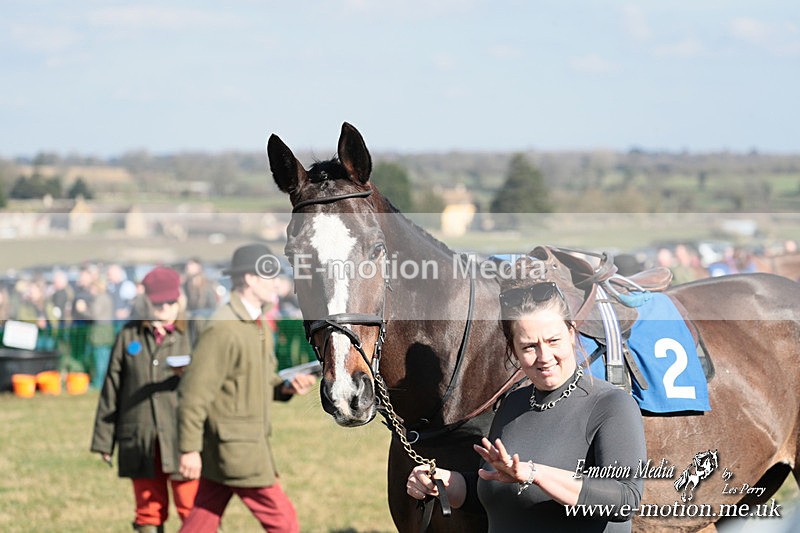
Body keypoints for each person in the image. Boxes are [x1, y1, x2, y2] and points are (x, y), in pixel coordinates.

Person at [407, 258, 647, 532]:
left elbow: (625, 498)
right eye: (529, 346)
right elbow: (497, 493)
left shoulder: (610, 405)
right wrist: (445, 482)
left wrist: (535, 474)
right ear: (513, 349)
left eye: (553, 340)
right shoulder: (513, 405)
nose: (544, 357)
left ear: (571, 333)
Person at [177, 243, 317, 533]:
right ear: (251, 279)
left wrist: (285, 387)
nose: (278, 283)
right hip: (237, 449)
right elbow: (193, 394)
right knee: (285, 523)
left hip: (238, 443)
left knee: (200, 522)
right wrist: (188, 449)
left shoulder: (257, 322)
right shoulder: (223, 326)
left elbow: (258, 380)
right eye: (271, 276)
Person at [90, 266, 200, 533]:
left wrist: (192, 373)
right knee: (148, 512)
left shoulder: (195, 334)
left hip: (182, 437)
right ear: (145, 301)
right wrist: (104, 440)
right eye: (158, 303)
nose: (164, 308)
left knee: (193, 510)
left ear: (179, 300)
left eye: (170, 302)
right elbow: (112, 389)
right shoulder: (128, 335)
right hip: (139, 438)